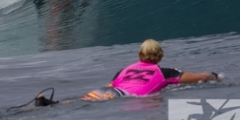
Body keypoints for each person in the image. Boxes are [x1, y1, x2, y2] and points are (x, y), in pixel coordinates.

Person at [81, 39, 221, 100]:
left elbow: (109, 87)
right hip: (123, 96)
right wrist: (216, 77)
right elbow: (201, 77)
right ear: (161, 56)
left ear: (139, 54)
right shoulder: (165, 72)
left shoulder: (124, 70)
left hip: (102, 91)